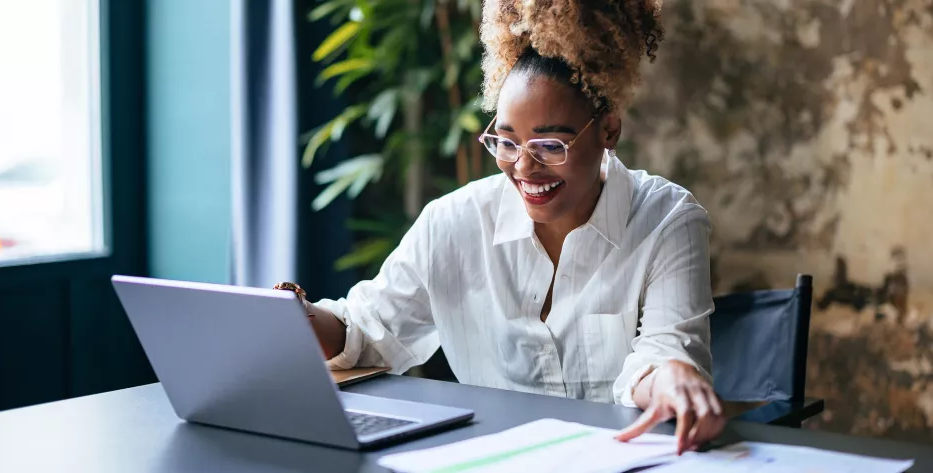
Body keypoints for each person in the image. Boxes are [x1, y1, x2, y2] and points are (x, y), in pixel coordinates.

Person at [276, 0, 725, 453]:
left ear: (608, 130)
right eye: (506, 141)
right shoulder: (452, 223)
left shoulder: (667, 220)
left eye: (550, 144)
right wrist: (288, 315)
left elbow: (666, 353)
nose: (524, 167)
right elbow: (367, 332)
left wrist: (671, 376)